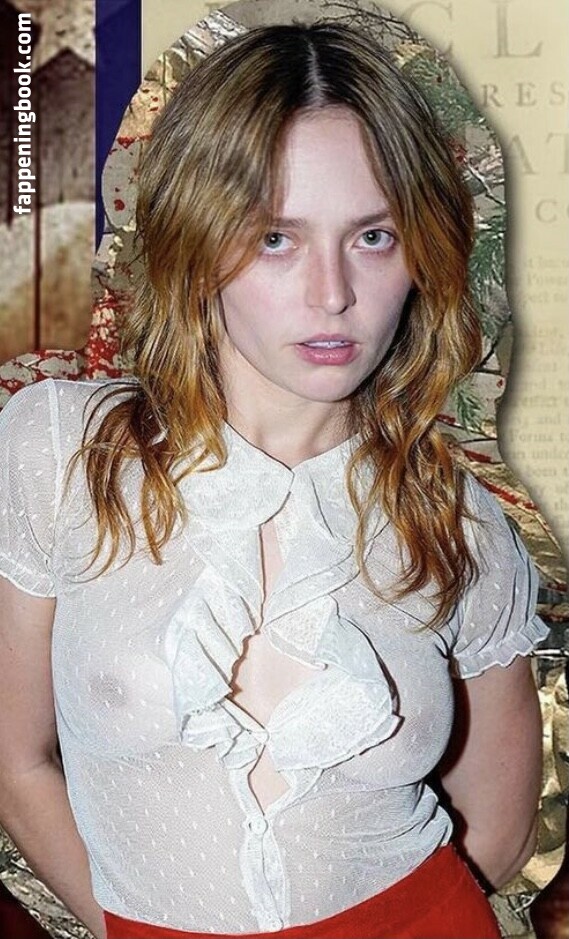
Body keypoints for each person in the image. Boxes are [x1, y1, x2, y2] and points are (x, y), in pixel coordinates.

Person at [0, 20, 548, 939]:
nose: (331, 293)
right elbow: (13, 758)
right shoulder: (59, 449)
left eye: (372, 235)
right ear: (196, 242)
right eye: (274, 238)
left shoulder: (456, 518)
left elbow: (494, 829)